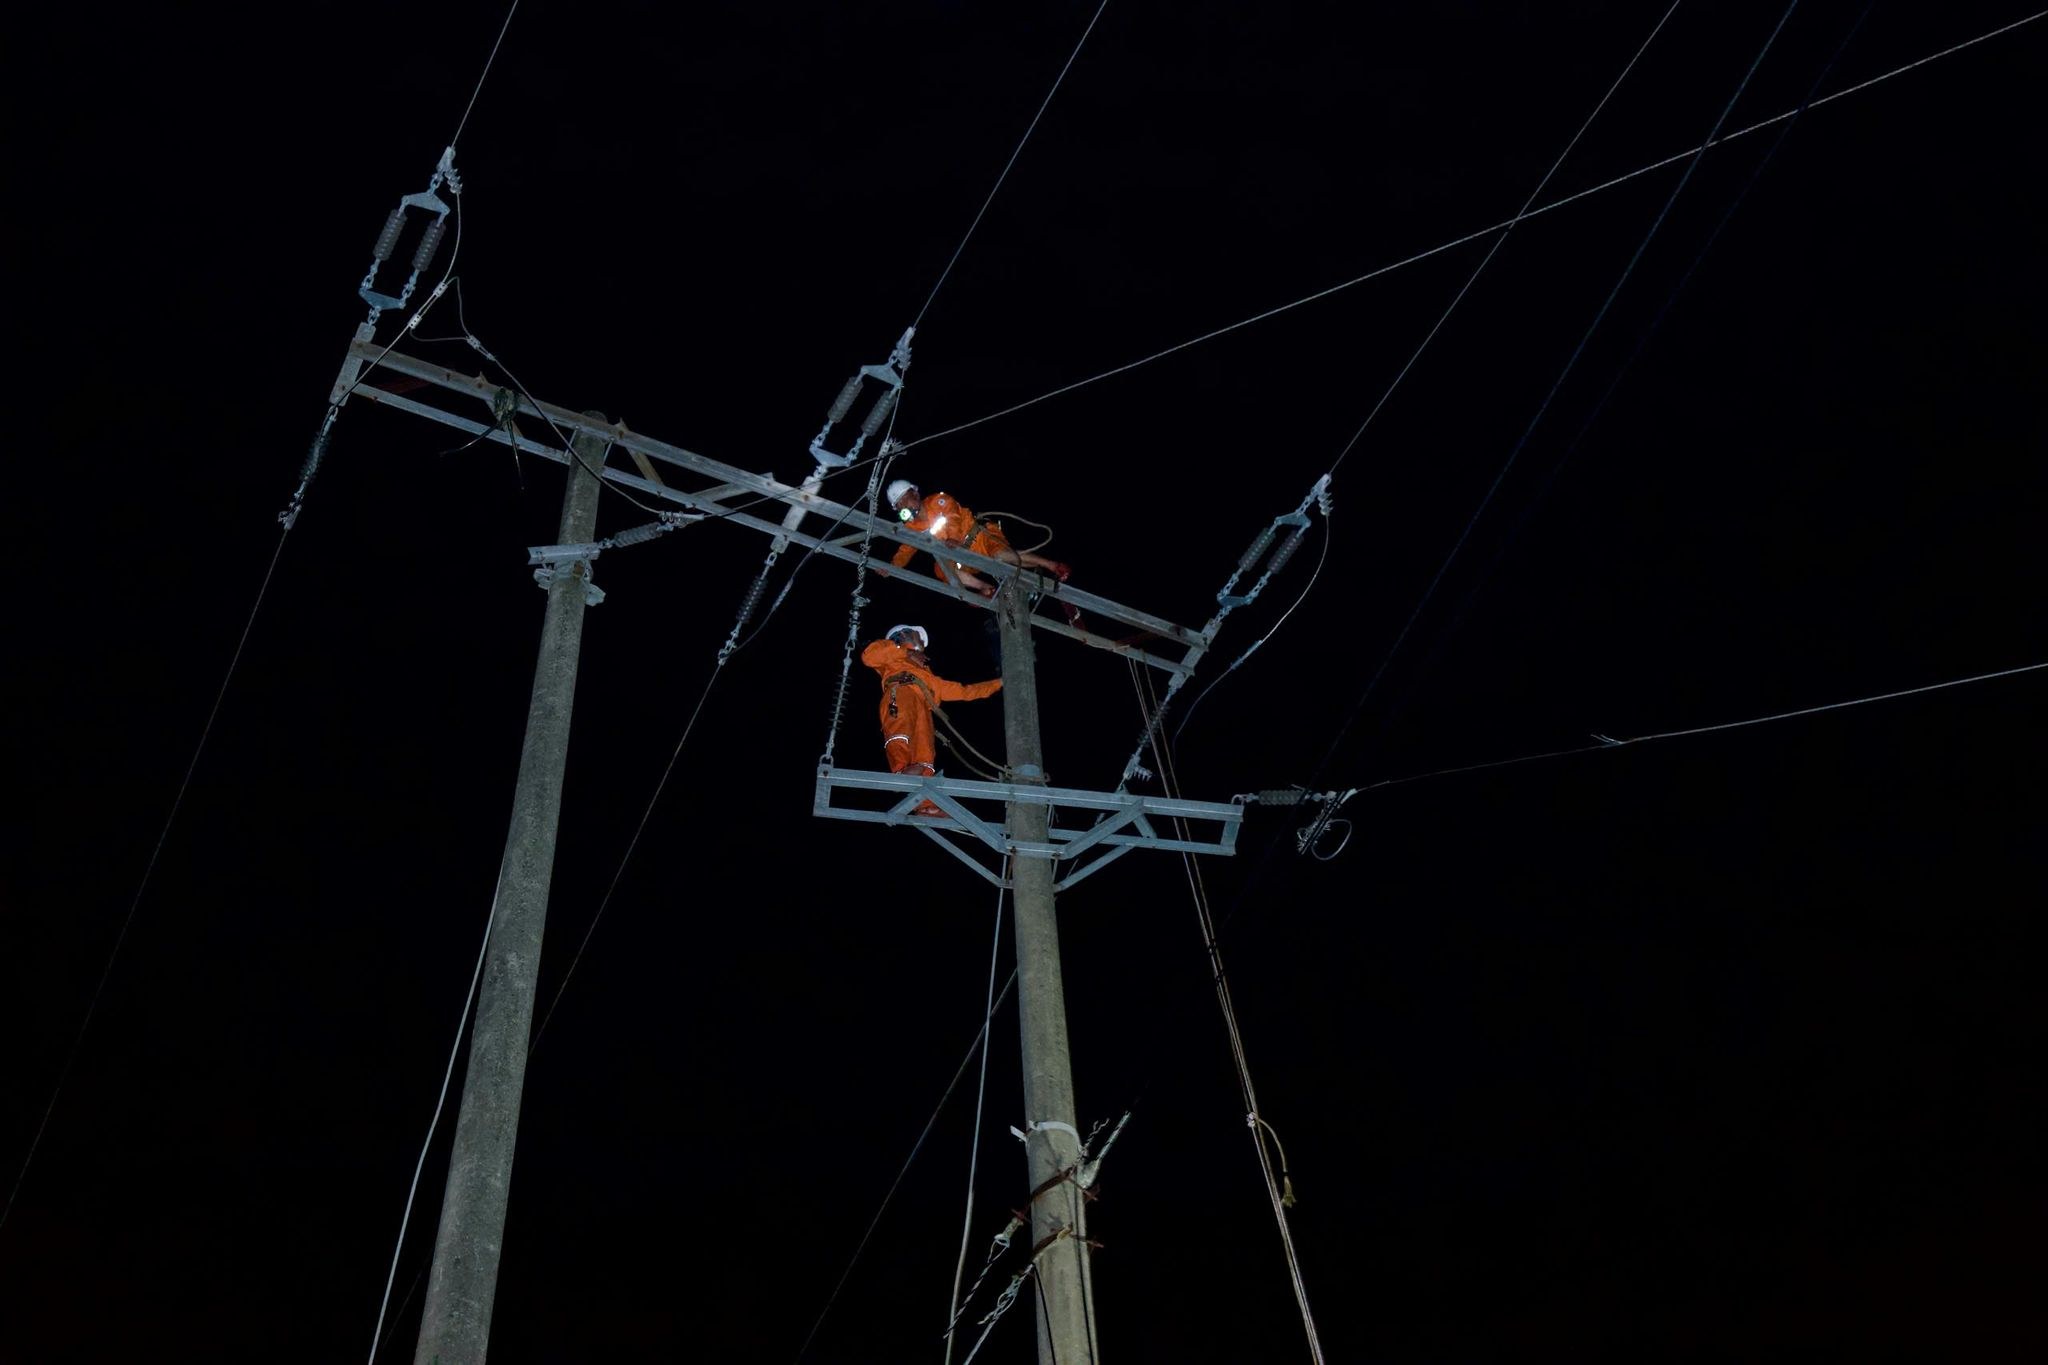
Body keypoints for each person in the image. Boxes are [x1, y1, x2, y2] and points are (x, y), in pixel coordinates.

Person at [860, 624, 1003, 817]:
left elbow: (965, 691)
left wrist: (1000, 682)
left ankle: (926, 805)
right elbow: (869, 656)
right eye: (917, 636)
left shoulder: (929, 678)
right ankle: (900, 771)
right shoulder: (891, 657)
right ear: (901, 635)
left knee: (925, 754)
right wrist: (904, 652)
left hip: (923, 708)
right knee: (900, 730)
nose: (921, 641)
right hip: (900, 691)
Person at [884, 479, 1071, 598]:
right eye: (898, 505)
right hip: (960, 555)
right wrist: (893, 567)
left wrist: (954, 538)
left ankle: (1051, 565)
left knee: (1000, 556)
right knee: (941, 569)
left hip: (979, 536)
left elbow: (953, 517)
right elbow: (906, 548)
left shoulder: (937, 501)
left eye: (904, 500)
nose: (902, 507)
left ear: (915, 494)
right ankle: (986, 589)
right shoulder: (911, 526)